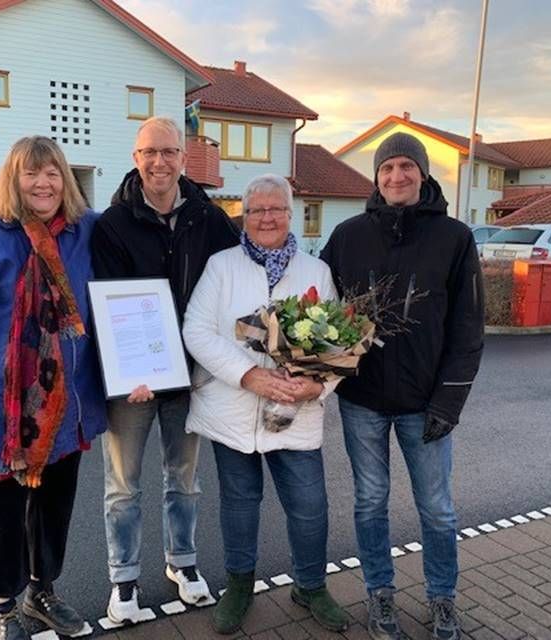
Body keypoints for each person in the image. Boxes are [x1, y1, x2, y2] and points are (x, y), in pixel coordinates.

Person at [0, 136, 106, 640]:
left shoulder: (84, 232)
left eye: (52, 173)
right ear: (13, 179)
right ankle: (4, 607)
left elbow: (134, 230)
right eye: (32, 173)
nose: (43, 183)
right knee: (2, 518)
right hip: (2, 414)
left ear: (65, 179)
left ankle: (41, 591)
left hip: (63, 410)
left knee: (53, 512)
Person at [320, 132, 484, 640]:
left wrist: (450, 401)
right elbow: (319, 310)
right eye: (387, 167)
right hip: (362, 400)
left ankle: (442, 597)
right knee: (370, 501)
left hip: (426, 402)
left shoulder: (454, 238)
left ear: (423, 173)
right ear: (376, 177)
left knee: (436, 508)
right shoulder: (347, 236)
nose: (397, 176)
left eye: (406, 166)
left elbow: (468, 327)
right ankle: (379, 592)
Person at [182, 174, 351, 635]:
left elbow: (341, 344)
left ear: (290, 214)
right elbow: (196, 330)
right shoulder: (221, 266)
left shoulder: (316, 272)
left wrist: (317, 388)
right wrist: (248, 374)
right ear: (245, 216)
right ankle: (239, 585)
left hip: (296, 414)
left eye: (276, 209)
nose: (267, 218)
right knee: (239, 504)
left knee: (309, 505)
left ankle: (311, 586)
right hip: (232, 411)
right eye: (257, 210)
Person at [90, 116, 239, 623]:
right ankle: (124, 577)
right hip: (132, 383)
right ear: (136, 158)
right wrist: (122, 370)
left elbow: (231, 289)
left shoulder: (210, 219)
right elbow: (104, 306)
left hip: (190, 377)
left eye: (169, 151)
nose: (159, 161)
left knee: (184, 479)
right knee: (123, 486)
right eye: (150, 152)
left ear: (183, 157)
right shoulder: (113, 224)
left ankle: (183, 563)